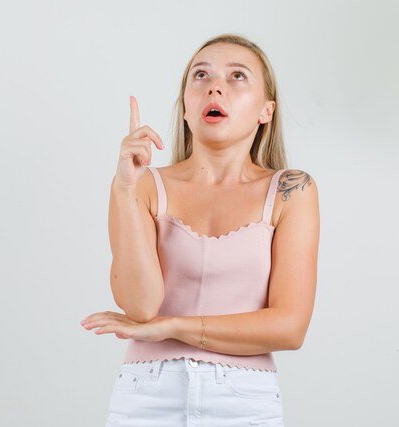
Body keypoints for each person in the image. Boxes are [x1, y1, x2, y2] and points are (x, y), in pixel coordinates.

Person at [80, 33, 319, 427]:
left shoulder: (292, 191)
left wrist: (173, 327)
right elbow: (140, 307)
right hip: (145, 396)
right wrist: (123, 190)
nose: (215, 86)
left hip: (245, 399)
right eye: (200, 75)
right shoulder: (140, 184)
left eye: (237, 76)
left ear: (266, 110)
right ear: (187, 110)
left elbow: (290, 327)